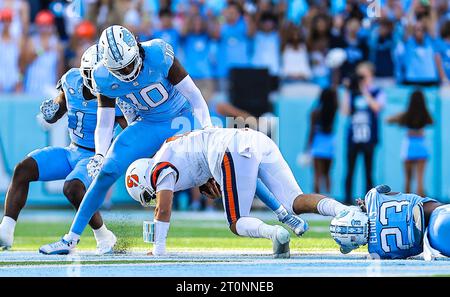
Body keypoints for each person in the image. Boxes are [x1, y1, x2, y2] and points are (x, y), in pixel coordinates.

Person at [38, 25, 213, 255]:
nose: (128, 70)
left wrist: (208, 128)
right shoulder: (102, 76)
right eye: (120, 68)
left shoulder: (159, 54)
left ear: (136, 49)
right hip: (148, 124)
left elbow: (194, 95)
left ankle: (277, 211)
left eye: (130, 63)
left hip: (180, 119)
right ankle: (71, 238)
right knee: (106, 171)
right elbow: (105, 121)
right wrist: (100, 154)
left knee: (219, 159)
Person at [123, 128, 356, 258]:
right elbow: (248, 177)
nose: (154, 196)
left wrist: (158, 249)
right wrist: (282, 211)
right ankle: (347, 211)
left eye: (148, 194)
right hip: (253, 139)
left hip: (230, 149)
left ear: (144, 177)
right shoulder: (171, 151)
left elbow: (163, 207)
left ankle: (274, 234)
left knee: (236, 222)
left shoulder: (158, 169)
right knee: (295, 200)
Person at [0, 45, 128, 253]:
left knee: (73, 188)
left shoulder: (113, 93)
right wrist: (51, 113)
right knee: (23, 169)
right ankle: (5, 230)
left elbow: (128, 129)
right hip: (72, 150)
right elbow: (60, 108)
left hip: (94, 156)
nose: (99, 80)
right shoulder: (72, 80)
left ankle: (103, 236)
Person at [330, 184, 449, 260]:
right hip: (438, 213)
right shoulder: (372, 196)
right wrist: (368, 207)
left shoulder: (376, 252)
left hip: (433, 243)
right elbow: (393, 193)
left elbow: (403, 256)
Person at [343, 62, 385, 205]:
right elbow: (345, 112)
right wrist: (349, 91)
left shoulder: (377, 91)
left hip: (369, 138)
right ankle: (347, 200)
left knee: (368, 172)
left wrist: (364, 89)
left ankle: (370, 202)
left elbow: (376, 107)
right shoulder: (353, 93)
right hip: (353, 137)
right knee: (350, 170)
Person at [387, 90, 433, 197]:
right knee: (420, 182)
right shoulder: (425, 113)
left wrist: (396, 119)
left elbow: (388, 120)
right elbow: (432, 121)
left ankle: (406, 206)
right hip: (421, 145)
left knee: (408, 180)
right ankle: (422, 208)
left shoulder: (406, 114)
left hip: (409, 146)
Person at [21, 10, 63, 96]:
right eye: (42, 26)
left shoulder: (57, 43)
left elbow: (60, 67)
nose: (44, 29)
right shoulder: (32, 41)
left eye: (47, 25)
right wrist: (41, 50)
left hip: (49, 84)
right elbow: (25, 61)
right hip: (32, 84)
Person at [306, 88, 338, 194]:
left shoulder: (315, 112)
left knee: (317, 174)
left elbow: (311, 131)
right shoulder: (333, 110)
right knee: (327, 173)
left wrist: (307, 147)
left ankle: (317, 200)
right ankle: (329, 198)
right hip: (329, 143)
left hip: (318, 142)